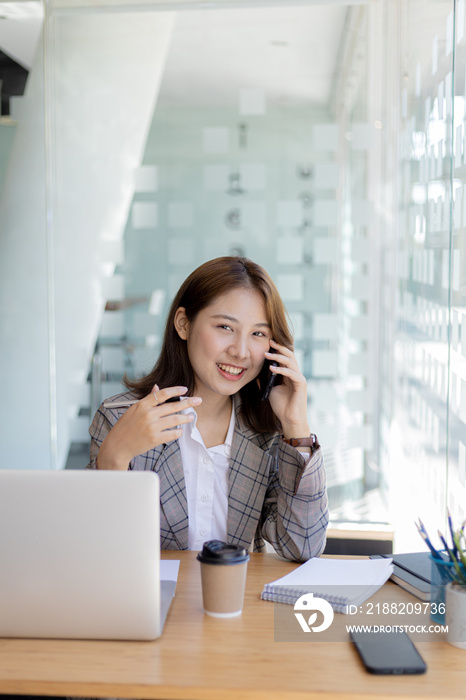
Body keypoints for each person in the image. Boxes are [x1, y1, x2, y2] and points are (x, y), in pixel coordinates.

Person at [87, 256, 328, 561]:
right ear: (183, 324)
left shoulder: (268, 435)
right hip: (149, 604)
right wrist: (114, 457)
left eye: (258, 334)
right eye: (225, 327)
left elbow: (302, 547)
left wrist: (296, 425)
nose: (240, 352)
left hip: (237, 605)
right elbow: (97, 551)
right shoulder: (121, 418)